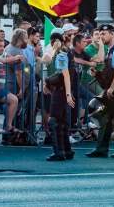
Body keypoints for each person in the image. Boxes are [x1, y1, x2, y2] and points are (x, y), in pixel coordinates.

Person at [86, 24, 114, 158]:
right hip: (110, 89)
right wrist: (97, 75)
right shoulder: (110, 50)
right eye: (100, 34)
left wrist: (112, 87)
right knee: (105, 119)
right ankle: (101, 149)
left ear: (112, 33)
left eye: (104, 34)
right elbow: (108, 73)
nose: (101, 37)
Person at [45, 32, 76, 161]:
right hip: (63, 90)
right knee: (62, 122)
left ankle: (58, 152)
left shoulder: (61, 54)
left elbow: (66, 75)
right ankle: (67, 150)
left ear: (53, 42)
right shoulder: (66, 51)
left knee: (53, 121)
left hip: (61, 91)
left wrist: (68, 94)